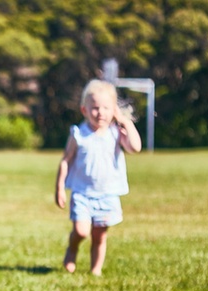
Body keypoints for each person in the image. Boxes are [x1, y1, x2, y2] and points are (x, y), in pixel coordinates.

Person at [54, 79, 142, 276]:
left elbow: (135, 147)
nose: (100, 112)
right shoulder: (79, 134)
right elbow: (66, 160)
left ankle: (95, 270)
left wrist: (125, 121)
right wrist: (60, 187)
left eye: (106, 108)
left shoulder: (116, 133)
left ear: (113, 111)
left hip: (107, 195)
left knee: (100, 235)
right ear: (84, 110)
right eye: (94, 108)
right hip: (82, 193)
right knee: (82, 231)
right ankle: (73, 247)